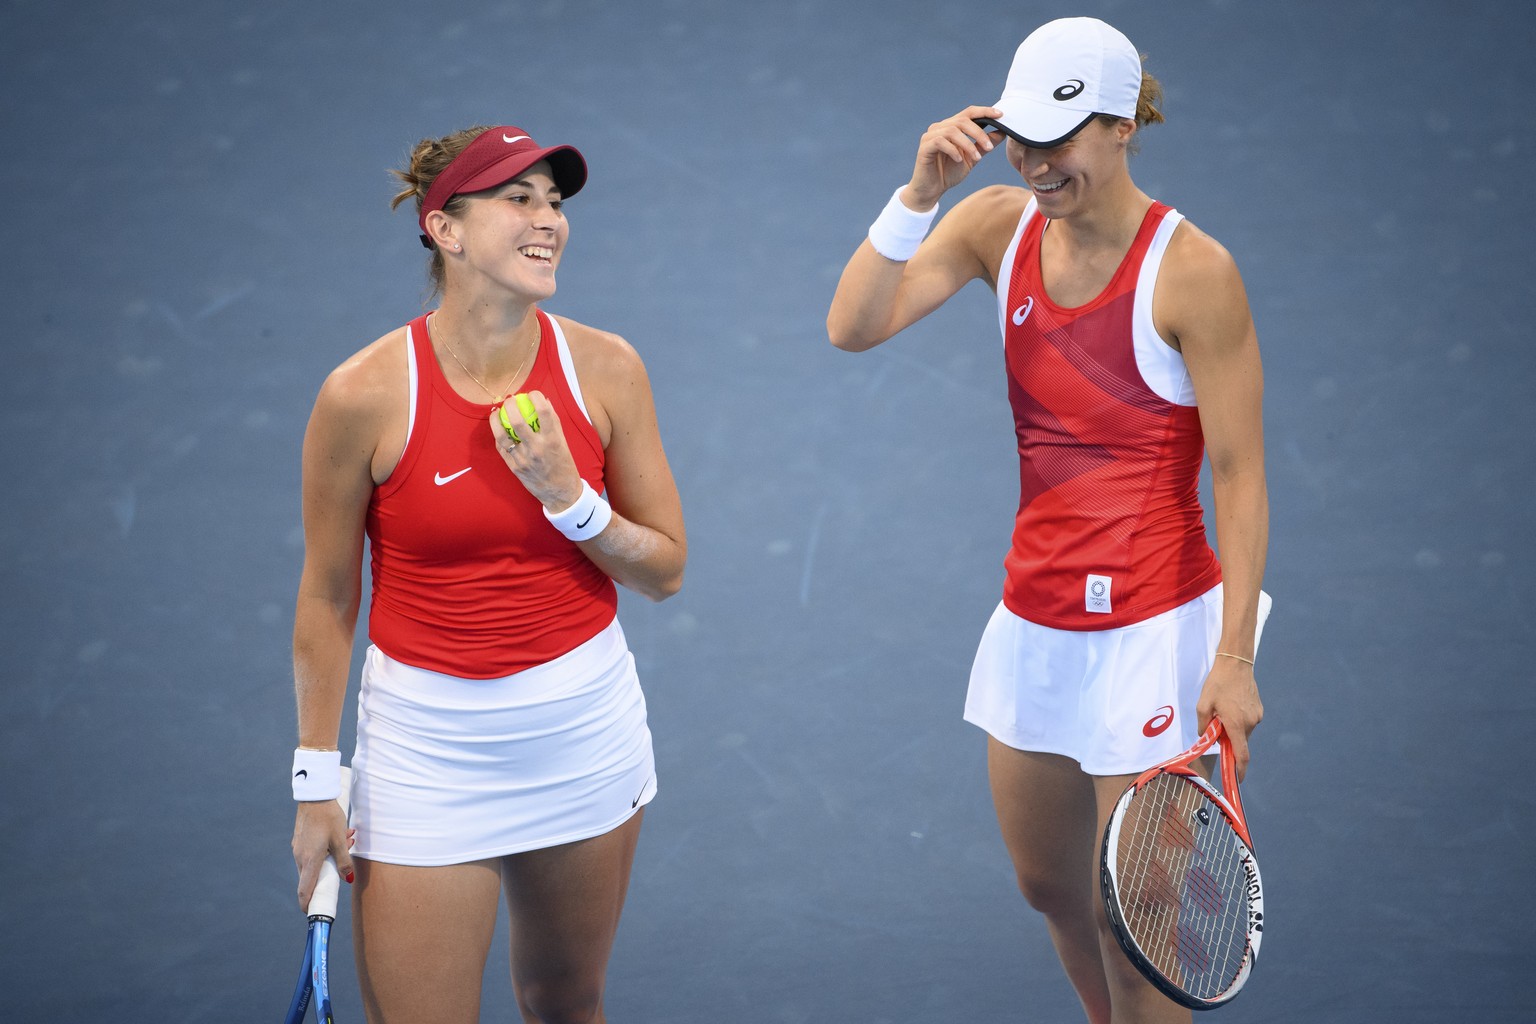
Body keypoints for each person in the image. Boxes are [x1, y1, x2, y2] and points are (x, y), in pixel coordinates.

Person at [827, 18, 1270, 1024]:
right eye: (1021, 137)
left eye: (1059, 139)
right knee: (1055, 889)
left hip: (1153, 631)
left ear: (1120, 125)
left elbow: (1241, 475)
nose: (1035, 162)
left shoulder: (1195, 272)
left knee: (1141, 921)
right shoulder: (994, 225)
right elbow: (852, 326)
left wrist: (1234, 655)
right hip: (1034, 620)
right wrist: (918, 195)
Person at [288, 124, 686, 1024]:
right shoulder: (362, 395)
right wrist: (317, 785)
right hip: (427, 754)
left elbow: (664, 570)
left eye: (554, 200)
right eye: (519, 198)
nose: (548, 219)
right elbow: (327, 595)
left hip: (582, 732)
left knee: (564, 1002)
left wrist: (569, 497)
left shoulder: (607, 370)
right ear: (446, 229)